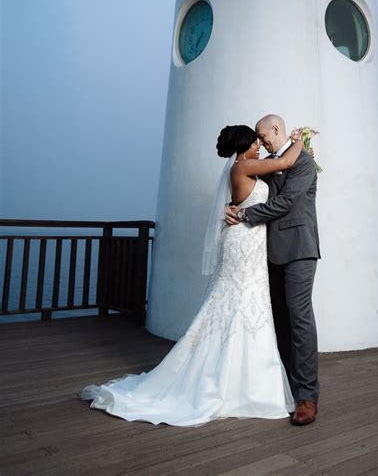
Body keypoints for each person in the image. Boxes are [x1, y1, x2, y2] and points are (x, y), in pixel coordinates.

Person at [81, 125, 303, 427]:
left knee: (244, 303)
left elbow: (260, 189)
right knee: (242, 301)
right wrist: (301, 141)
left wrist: (231, 206)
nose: (259, 145)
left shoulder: (245, 168)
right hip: (242, 244)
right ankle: (241, 386)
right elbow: (286, 163)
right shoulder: (246, 164)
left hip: (247, 241)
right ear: (244, 146)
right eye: (255, 141)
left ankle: (241, 381)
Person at [225, 114, 320, 426]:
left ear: (276, 129)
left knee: (299, 318)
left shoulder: (303, 162)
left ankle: (307, 397)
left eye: (263, 136)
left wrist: (244, 215)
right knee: (279, 321)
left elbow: (287, 203)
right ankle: (286, 389)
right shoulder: (269, 164)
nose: (260, 142)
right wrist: (230, 206)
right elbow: (248, 188)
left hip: (299, 250)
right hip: (266, 253)